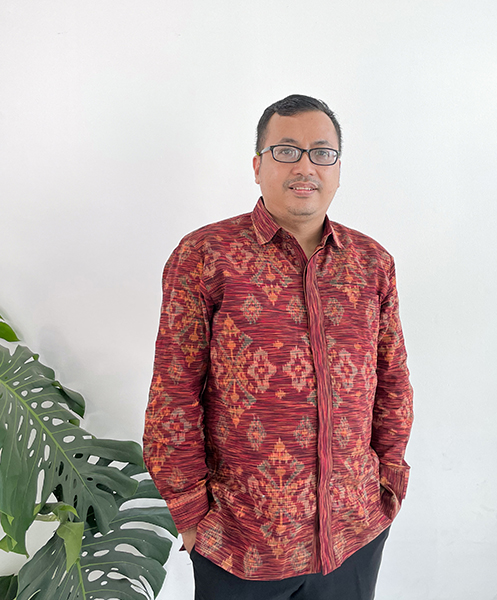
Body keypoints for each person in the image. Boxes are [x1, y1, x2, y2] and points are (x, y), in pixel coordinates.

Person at [143, 94, 413, 600]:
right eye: (286, 151)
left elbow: (392, 380)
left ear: (338, 169)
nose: (305, 166)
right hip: (241, 539)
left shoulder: (372, 263)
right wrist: (190, 514)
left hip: (355, 532)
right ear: (257, 166)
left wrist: (390, 482)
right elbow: (173, 393)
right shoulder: (205, 255)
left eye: (322, 153)